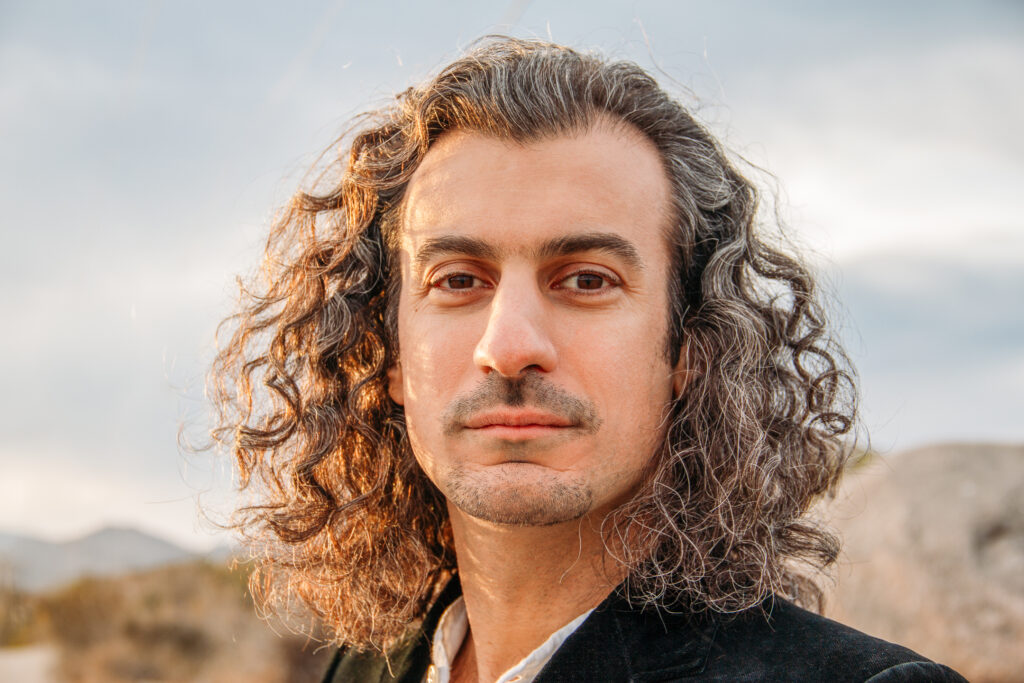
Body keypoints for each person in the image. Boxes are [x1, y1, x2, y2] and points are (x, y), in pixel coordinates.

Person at [210, 37, 965, 682]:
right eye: (458, 280)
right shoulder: (365, 667)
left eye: (585, 280)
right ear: (390, 354)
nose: (508, 346)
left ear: (689, 348)